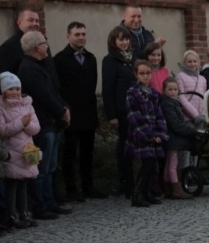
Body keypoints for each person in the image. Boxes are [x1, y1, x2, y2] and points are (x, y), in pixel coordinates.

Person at [18, 30, 72, 220]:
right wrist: (62, 111)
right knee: (41, 168)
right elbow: (44, 96)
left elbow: (54, 91)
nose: (47, 45)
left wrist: (65, 107)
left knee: (50, 167)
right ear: (36, 47)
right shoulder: (29, 69)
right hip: (43, 123)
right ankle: (40, 205)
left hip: (52, 122)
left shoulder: (42, 65)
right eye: (44, 42)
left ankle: (50, 201)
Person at [53, 21, 105, 202]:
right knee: (70, 152)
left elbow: (92, 84)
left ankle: (88, 186)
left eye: (83, 34)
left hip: (88, 111)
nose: (81, 37)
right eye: (77, 34)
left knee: (87, 152)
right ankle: (71, 188)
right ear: (68, 36)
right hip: (71, 112)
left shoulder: (91, 58)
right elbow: (58, 88)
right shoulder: (59, 59)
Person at [0, 72, 40, 228]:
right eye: (10, 89)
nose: (15, 92)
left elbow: (36, 128)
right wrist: (21, 123)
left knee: (24, 183)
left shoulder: (27, 104)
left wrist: (27, 124)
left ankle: (24, 213)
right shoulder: (0, 107)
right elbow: (2, 130)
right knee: (12, 185)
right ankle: (11, 215)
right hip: (11, 152)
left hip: (26, 151)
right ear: (3, 91)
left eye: (17, 88)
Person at [125, 60, 168, 207]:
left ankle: (147, 193)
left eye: (148, 73)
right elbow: (133, 117)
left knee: (152, 165)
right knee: (147, 163)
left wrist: (160, 134)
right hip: (140, 135)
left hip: (154, 135)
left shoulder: (154, 94)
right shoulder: (132, 93)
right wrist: (148, 136)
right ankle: (137, 194)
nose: (145, 76)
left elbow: (159, 116)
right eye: (142, 73)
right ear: (136, 74)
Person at [102, 25, 136, 198]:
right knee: (125, 145)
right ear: (114, 41)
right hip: (121, 109)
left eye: (126, 39)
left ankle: (137, 181)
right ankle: (126, 182)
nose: (124, 42)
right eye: (121, 39)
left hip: (135, 108)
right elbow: (107, 89)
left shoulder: (132, 59)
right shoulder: (110, 60)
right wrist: (112, 115)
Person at [159, 78, 198, 200]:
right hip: (172, 138)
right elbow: (175, 123)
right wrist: (192, 131)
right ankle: (176, 189)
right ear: (164, 90)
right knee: (172, 164)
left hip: (172, 137)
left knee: (169, 163)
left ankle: (168, 188)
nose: (173, 92)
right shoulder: (167, 104)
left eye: (175, 89)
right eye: (169, 89)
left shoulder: (173, 102)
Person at [0, 8, 41, 80]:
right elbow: (1, 78)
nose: (35, 24)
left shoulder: (42, 43)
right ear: (19, 22)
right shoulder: (8, 47)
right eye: (30, 20)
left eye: (37, 21)